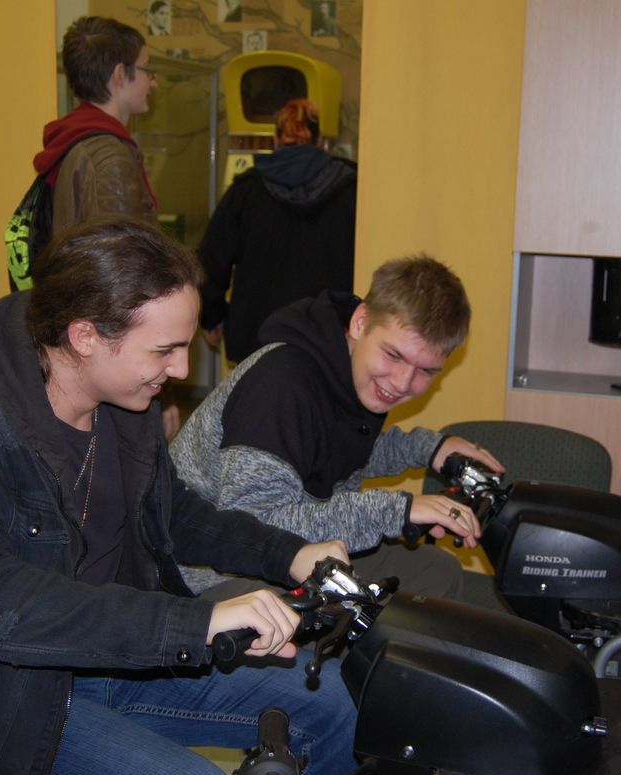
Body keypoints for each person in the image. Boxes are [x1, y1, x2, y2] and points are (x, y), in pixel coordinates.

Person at [0, 216, 368, 775]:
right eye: (164, 350)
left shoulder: (124, 402)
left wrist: (291, 555)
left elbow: (174, 514)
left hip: (112, 655)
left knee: (331, 703)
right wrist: (195, 624)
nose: (180, 369)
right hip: (7, 707)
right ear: (85, 335)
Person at [171, 255, 505, 602]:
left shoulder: (352, 373)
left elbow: (339, 450)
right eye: (394, 355)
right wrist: (397, 511)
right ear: (360, 322)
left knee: (437, 573)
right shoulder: (281, 383)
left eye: (426, 371)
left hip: (294, 549)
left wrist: (430, 450)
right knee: (329, 613)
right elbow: (254, 529)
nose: (402, 382)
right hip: (212, 573)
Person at [33, 15, 181, 439]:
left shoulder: (74, 141)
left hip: (84, 342)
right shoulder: (108, 158)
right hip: (111, 351)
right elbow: (125, 279)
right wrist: (160, 389)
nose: (152, 82)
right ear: (120, 74)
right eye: (147, 70)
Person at [198, 98, 357, 364]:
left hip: (256, 337)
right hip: (329, 337)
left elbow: (211, 260)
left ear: (275, 140)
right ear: (320, 140)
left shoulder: (246, 190)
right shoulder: (351, 189)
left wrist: (212, 317)